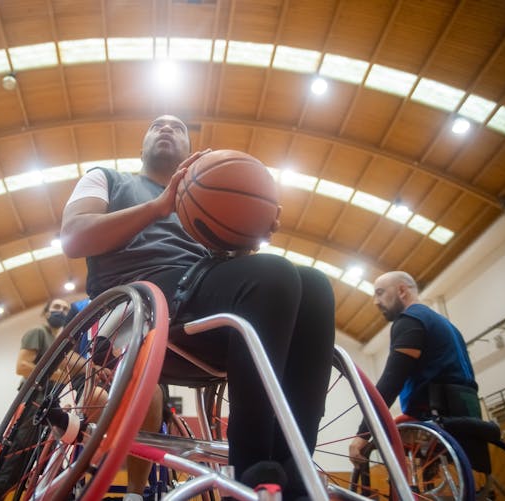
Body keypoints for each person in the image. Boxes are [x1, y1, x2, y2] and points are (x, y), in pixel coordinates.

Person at [61, 115, 335, 499]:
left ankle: (296, 473)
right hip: (141, 299)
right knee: (273, 275)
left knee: (316, 287)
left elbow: (236, 271)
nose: (167, 128)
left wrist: (250, 232)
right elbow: (73, 239)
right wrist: (159, 207)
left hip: (201, 293)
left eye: (178, 127)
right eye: (157, 124)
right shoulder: (107, 178)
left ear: (192, 154)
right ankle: (252, 469)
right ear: (141, 145)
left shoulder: (206, 199)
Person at [348, 271, 481, 468]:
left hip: (434, 415)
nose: (376, 302)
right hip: (468, 412)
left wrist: (363, 433)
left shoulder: (410, 321)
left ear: (402, 290)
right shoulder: (446, 324)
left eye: (380, 293)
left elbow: (391, 382)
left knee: (372, 446)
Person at [0, 298, 71, 500]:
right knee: (17, 458)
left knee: (50, 458)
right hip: (33, 402)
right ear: (46, 312)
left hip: (48, 404)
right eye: (56, 307)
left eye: (65, 309)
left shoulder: (57, 341)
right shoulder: (38, 333)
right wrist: (57, 373)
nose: (61, 311)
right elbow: (22, 365)